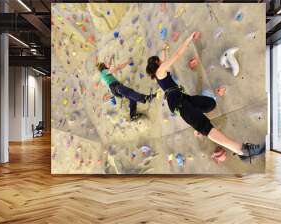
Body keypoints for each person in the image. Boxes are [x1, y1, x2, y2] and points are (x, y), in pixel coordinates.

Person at [145, 32, 265, 161]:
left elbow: (164, 58)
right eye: (160, 60)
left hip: (183, 99)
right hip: (180, 104)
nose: (163, 60)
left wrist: (164, 48)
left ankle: (197, 121)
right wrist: (189, 39)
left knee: (209, 103)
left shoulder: (159, 73)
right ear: (157, 63)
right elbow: (177, 55)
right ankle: (243, 151)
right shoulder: (161, 70)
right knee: (204, 126)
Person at [96, 56, 156, 121]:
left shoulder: (102, 74)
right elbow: (115, 68)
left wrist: (111, 58)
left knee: (131, 96)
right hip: (115, 87)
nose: (106, 66)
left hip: (115, 89)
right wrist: (127, 62)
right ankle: (146, 98)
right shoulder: (104, 71)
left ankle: (133, 115)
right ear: (103, 67)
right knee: (130, 93)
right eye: (105, 66)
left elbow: (108, 65)